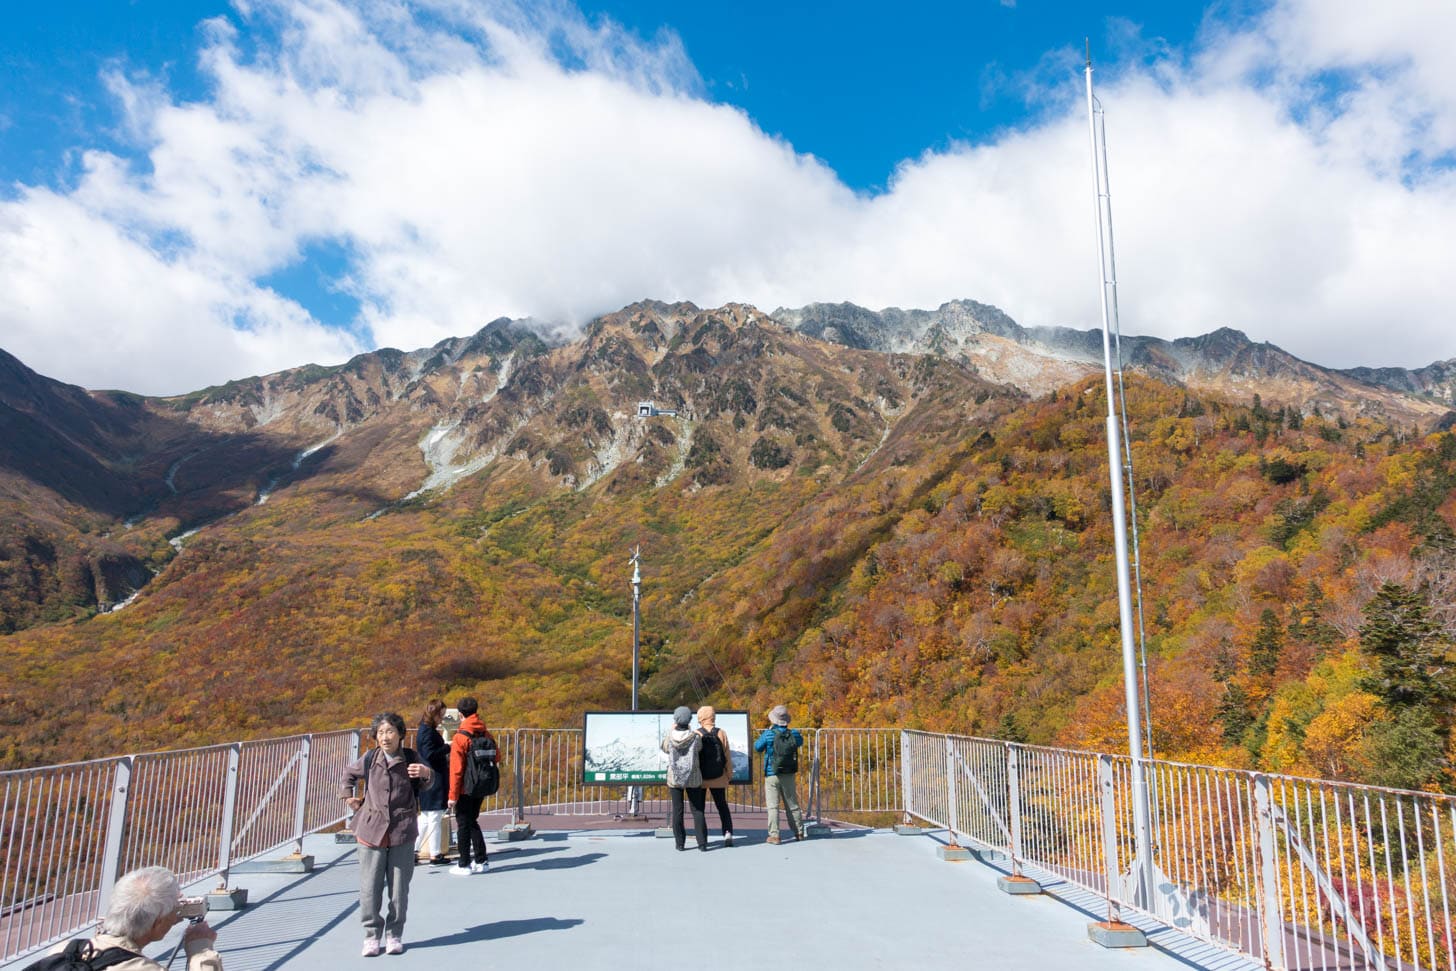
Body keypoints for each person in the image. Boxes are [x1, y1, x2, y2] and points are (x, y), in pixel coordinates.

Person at [341, 712, 433, 957]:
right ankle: (371, 935)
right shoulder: (370, 758)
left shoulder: (411, 758)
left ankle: (394, 933)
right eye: (380, 733)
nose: (385, 737)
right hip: (371, 830)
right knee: (370, 888)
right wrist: (348, 796)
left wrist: (426, 773)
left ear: (401, 734)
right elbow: (348, 775)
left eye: (390, 731)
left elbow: (429, 781)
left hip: (402, 832)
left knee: (399, 888)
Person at [52, 866, 222, 970]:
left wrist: (166, 917)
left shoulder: (63, 950)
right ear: (157, 923)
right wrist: (201, 951)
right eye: (174, 910)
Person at [448, 696, 497, 876]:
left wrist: (452, 796)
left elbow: (456, 770)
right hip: (482, 784)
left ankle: (464, 864)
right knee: (471, 820)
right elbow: (497, 756)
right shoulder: (485, 733)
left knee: (463, 824)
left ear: (460, 714)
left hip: (465, 787)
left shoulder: (461, 737)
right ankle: (481, 860)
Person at [753, 704, 805, 844]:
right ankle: (799, 832)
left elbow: (757, 747)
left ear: (773, 719)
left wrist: (768, 734)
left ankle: (774, 835)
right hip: (788, 773)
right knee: (792, 804)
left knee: (773, 806)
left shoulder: (769, 734)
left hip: (772, 773)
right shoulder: (793, 733)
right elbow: (800, 742)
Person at [661, 705, 707, 851]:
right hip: (693, 777)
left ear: (676, 720)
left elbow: (664, 748)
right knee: (697, 810)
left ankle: (680, 844)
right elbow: (699, 748)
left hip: (675, 778)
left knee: (677, 810)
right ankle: (702, 843)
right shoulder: (695, 737)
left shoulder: (670, 737)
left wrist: (672, 730)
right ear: (689, 721)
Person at [414, 700, 451, 865]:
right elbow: (430, 754)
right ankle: (435, 854)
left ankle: (414, 850)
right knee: (434, 815)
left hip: (427, 777)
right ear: (434, 714)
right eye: (440, 715)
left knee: (426, 816)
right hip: (434, 777)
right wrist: (448, 747)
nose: (442, 718)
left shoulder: (424, 729)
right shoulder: (428, 732)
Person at [696, 705, 734, 848]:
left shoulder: (696, 733)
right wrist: (729, 775)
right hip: (719, 777)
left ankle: (703, 838)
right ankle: (728, 832)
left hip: (701, 778)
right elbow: (727, 756)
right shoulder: (721, 733)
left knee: (700, 808)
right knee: (722, 806)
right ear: (713, 716)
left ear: (700, 717)